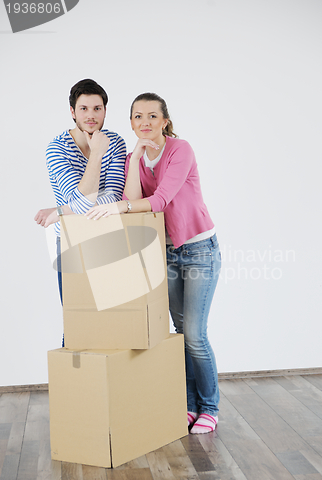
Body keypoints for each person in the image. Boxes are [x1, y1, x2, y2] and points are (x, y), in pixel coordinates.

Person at [86, 93, 221, 434]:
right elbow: (133, 199)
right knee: (179, 332)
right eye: (136, 117)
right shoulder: (140, 156)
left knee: (195, 334)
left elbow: (158, 202)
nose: (144, 122)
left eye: (151, 116)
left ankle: (210, 407)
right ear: (131, 122)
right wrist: (134, 158)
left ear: (164, 121)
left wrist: (120, 208)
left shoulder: (181, 150)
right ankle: (189, 406)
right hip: (167, 251)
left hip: (199, 249)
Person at [34, 79, 126, 322]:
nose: (91, 115)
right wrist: (96, 154)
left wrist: (60, 210)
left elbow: (114, 197)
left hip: (110, 238)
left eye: (97, 108)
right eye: (84, 109)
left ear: (105, 110)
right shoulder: (57, 148)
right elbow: (83, 203)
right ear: (73, 112)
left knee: (113, 322)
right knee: (79, 323)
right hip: (71, 243)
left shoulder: (115, 142)